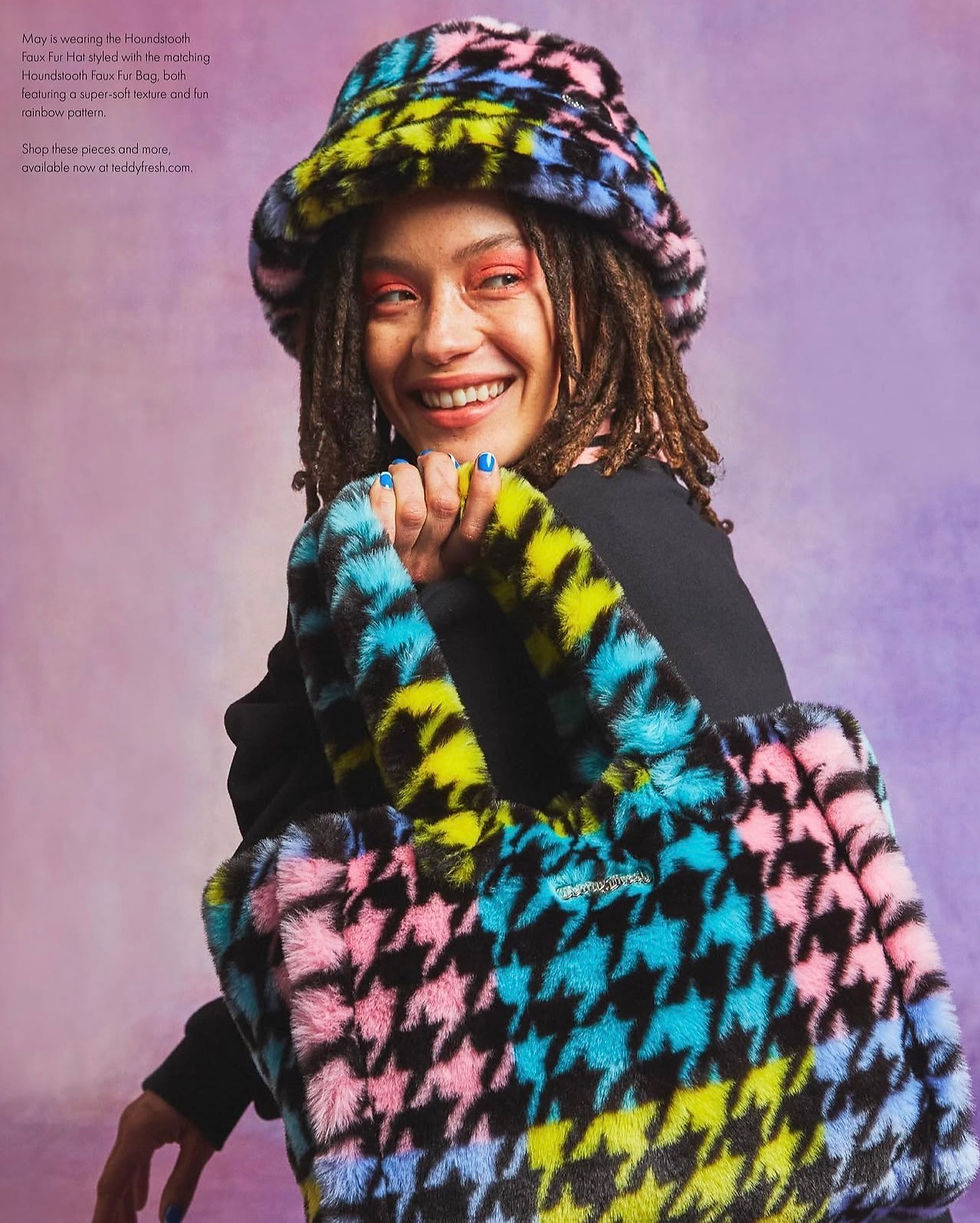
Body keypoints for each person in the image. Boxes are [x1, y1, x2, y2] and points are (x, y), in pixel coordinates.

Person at [91, 17, 956, 1223]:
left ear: (597, 286)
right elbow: (440, 888)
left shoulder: (606, 533)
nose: (442, 337)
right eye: (392, 295)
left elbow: (744, 934)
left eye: (497, 277)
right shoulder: (486, 540)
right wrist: (206, 1070)